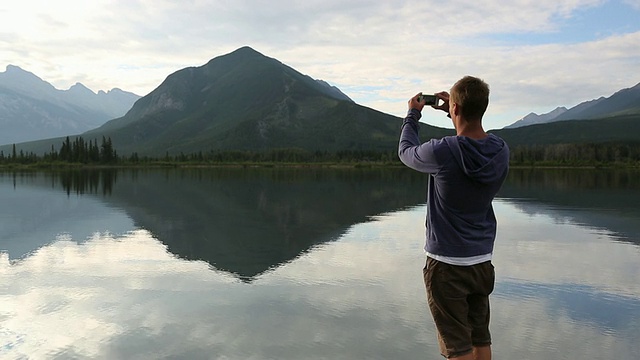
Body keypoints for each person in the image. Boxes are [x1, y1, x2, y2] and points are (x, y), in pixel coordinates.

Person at [398, 76, 509, 359]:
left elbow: (406, 153)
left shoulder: (443, 151)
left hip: (447, 265)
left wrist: (413, 114)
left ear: (456, 109)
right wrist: (455, 111)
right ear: (483, 108)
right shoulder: (500, 151)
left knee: (457, 348)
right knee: (480, 339)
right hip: (481, 261)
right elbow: (470, 135)